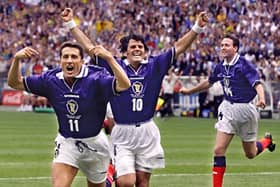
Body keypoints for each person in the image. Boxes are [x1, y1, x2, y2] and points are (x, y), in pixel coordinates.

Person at [61, 8, 208, 187]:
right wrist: (70, 24)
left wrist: (197, 27)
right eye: (133, 47)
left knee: (143, 182)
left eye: (140, 46)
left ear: (145, 51)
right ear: (125, 52)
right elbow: (90, 47)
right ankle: (111, 176)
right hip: (122, 132)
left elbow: (179, 47)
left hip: (147, 131)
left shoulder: (155, 65)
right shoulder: (113, 64)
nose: (137, 49)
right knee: (125, 182)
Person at [7, 41, 130, 187]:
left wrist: (109, 58)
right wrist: (16, 60)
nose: (69, 60)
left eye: (74, 57)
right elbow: (15, 83)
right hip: (67, 142)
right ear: (60, 60)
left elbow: (124, 84)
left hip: (95, 143)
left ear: (81, 61)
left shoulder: (96, 78)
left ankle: (109, 177)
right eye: (65, 57)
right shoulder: (50, 80)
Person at [180, 34, 276, 187]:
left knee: (250, 154)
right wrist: (190, 91)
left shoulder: (244, 64)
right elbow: (209, 82)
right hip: (227, 108)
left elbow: (257, 84)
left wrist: (262, 98)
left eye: (227, 45)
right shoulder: (220, 66)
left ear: (235, 48)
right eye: (222, 45)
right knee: (218, 150)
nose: (223, 47)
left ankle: (266, 141)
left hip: (246, 110)